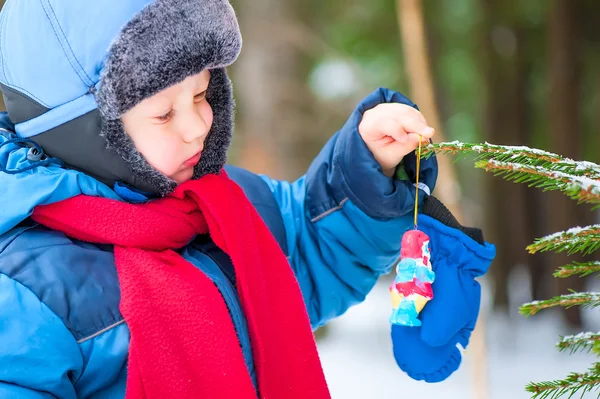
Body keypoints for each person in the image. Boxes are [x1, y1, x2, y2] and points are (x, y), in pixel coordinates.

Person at [0, 0, 495, 398]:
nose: (198, 126)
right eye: (163, 114)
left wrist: (368, 164)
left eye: (199, 95)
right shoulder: (25, 292)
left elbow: (309, 243)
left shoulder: (221, 209)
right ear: (82, 128)